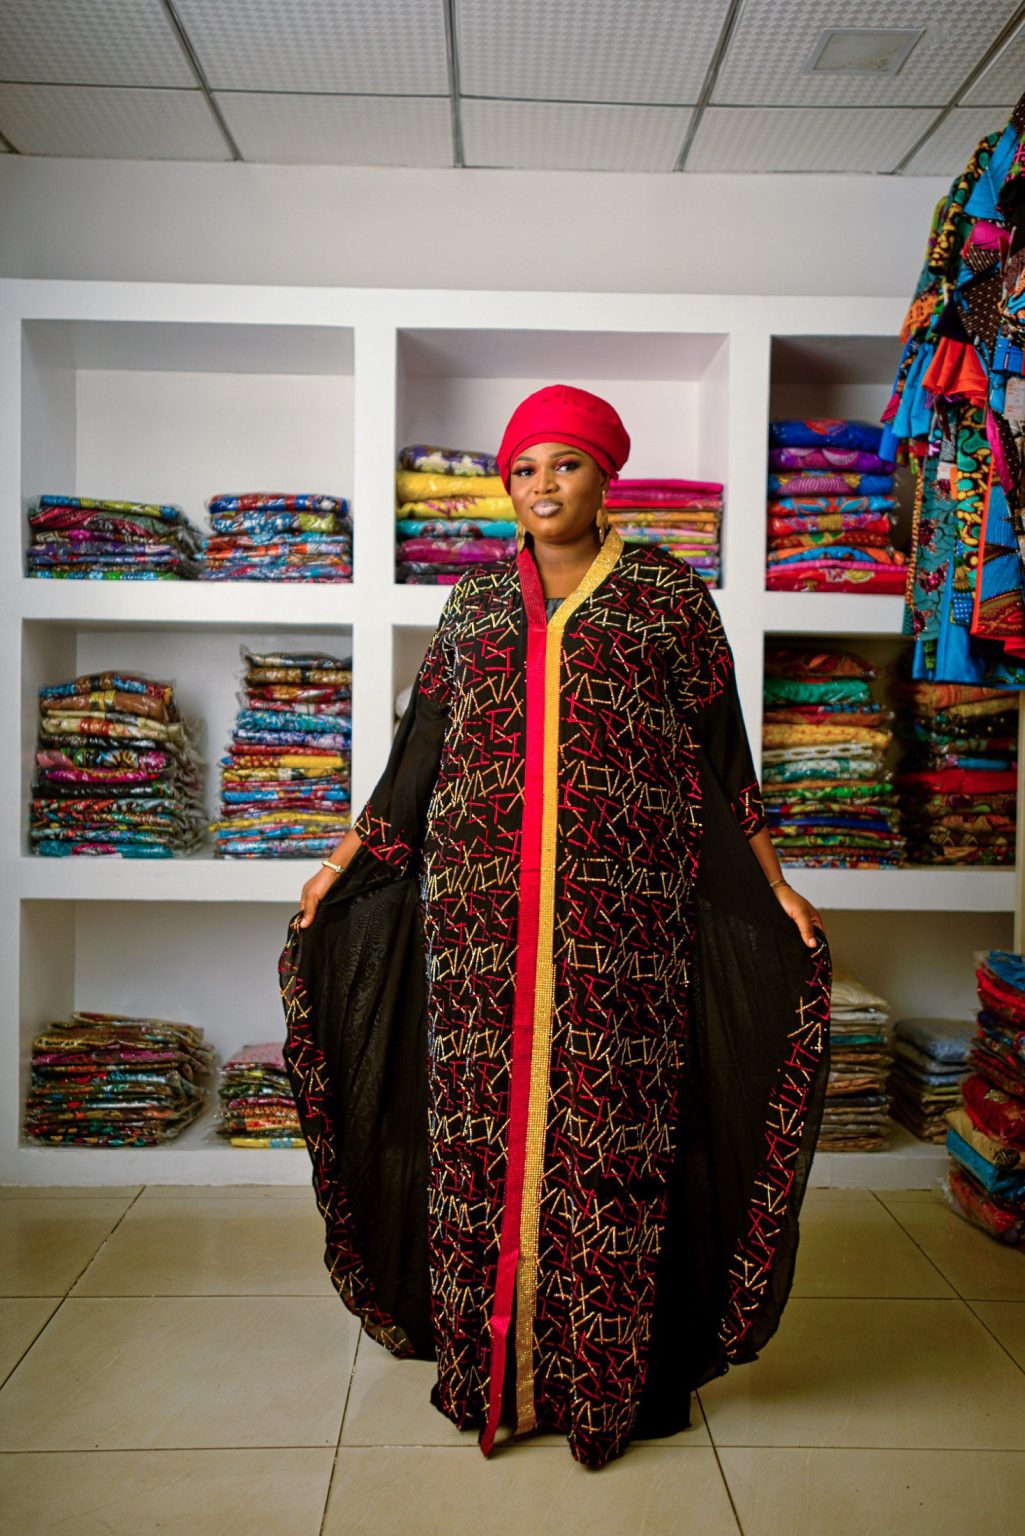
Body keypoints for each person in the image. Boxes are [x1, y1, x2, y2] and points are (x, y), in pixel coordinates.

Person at [280, 384, 832, 1471]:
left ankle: (605, 1379)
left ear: (603, 476)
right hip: (478, 923)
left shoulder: (667, 597)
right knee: (478, 1138)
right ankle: (487, 1370)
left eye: (564, 464)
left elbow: (721, 755)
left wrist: (773, 882)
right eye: (524, 468)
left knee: (612, 1142)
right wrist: (340, 865)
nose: (542, 485)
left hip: (621, 924)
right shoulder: (475, 604)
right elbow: (418, 755)